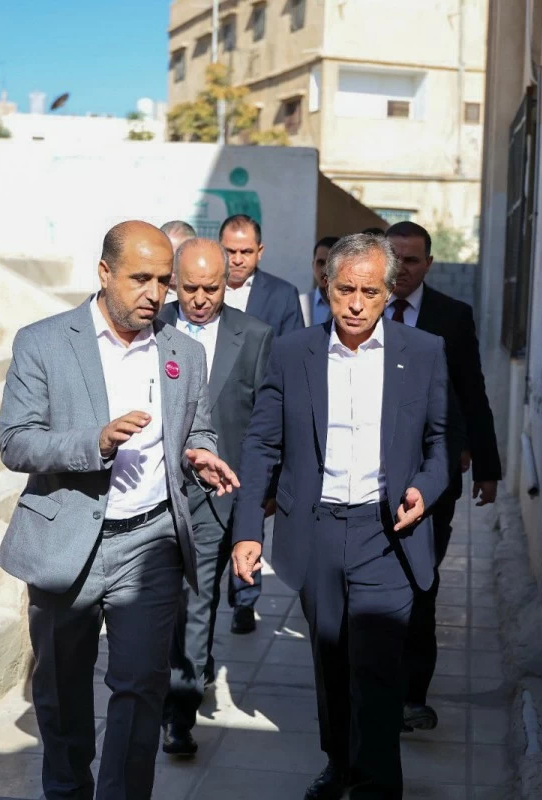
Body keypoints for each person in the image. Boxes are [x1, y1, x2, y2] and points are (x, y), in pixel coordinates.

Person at [0, 220, 240, 800]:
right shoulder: (43, 342)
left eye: (163, 281)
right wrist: (96, 443)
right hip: (67, 540)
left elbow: (196, 427)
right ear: (104, 273)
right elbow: (16, 442)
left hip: (152, 543)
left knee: (141, 688)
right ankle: (67, 790)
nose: (155, 294)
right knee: (61, 689)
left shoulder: (184, 352)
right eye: (140, 279)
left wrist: (198, 452)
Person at [231, 233, 455, 800]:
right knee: (331, 657)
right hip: (318, 530)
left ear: (390, 291)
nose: (355, 304)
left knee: (377, 668)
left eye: (369, 292)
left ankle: (376, 784)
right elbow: (261, 445)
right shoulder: (293, 353)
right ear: (326, 286)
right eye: (344, 290)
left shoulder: (423, 351)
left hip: (388, 532)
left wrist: (424, 490)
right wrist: (249, 531)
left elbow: (441, 442)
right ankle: (339, 764)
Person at [156, 238, 274, 757]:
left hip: (216, 495)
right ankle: (175, 680)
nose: (200, 299)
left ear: (227, 283)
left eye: (211, 288)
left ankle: (178, 716)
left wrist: (264, 489)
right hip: (155, 490)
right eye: (190, 288)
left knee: (197, 601)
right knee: (163, 604)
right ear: (173, 283)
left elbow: (264, 424)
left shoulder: (255, 336)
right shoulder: (152, 326)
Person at [384, 220, 502, 732]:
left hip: (435, 473)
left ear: (429, 264)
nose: (402, 270)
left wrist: (486, 465)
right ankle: (375, 686)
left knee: (422, 581)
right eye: (395, 259)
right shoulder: (363, 311)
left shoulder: (452, 317)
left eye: (412, 261)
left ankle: (413, 696)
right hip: (372, 473)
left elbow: (472, 391)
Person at [218, 213, 305, 634]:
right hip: (213, 420)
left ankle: (244, 598)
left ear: (260, 251)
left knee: (249, 510)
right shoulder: (203, 289)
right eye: (230, 251)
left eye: (245, 251)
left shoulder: (282, 296)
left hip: (258, 423)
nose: (237, 259)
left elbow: (294, 362)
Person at [299, 236, 340, 326]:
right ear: (313, 265)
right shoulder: (300, 304)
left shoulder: (353, 305)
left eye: (331, 264)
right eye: (320, 263)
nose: (325, 270)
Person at [160, 220, 196, 301]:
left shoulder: (205, 291)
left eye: (179, 256)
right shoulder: (151, 293)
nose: (173, 263)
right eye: (166, 255)